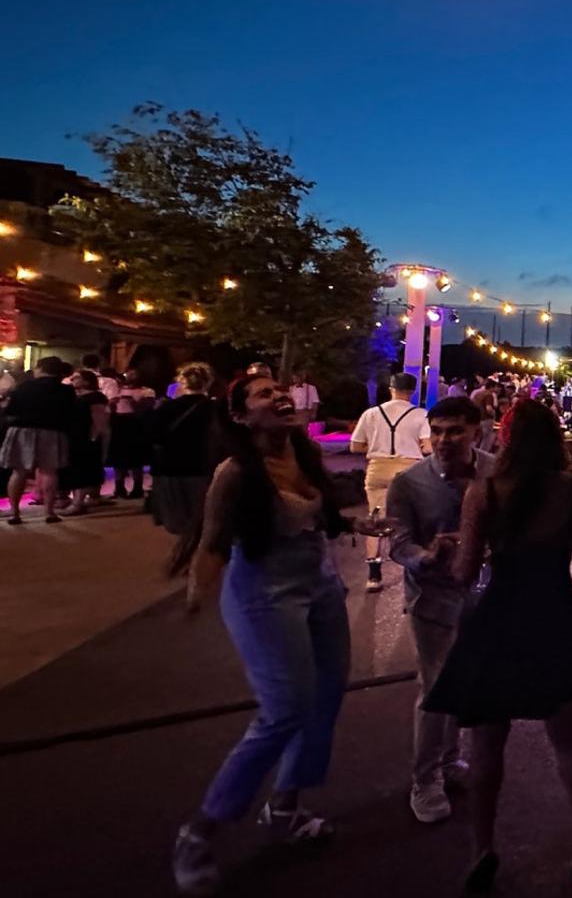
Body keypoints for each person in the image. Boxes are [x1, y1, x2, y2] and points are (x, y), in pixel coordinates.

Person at [169, 375, 386, 896]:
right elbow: (213, 541)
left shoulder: (303, 454)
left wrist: (358, 527)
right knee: (284, 710)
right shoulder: (236, 472)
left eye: (280, 389)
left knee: (325, 697)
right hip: (264, 595)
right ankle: (199, 833)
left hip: (320, 587)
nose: (280, 396)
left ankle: (286, 808)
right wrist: (197, 595)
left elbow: (321, 516)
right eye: (264, 394)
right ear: (241, 416)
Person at [423, 403, 572, 891]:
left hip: (500, 614)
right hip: (554, 612)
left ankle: (483, 850)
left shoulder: (484, 492)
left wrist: (448, 549)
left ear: (505, 438)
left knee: (487, 745)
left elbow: (464, 572)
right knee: (569, 738)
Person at [385, 396, 494, 825]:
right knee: (435, 689)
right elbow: (398, 543)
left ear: (477, 432)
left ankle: (450, 760)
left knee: (467, 681)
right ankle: (425, 780)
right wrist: (426, 556)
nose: (444, 440)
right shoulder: (409, 483)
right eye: (437, 431)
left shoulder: (495, 472)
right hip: (433, 597)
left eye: (455, 431)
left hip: (483, 594)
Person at [349, 373, 431, 593]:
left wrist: (377, 448)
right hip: (409, 470)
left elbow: (355, 446)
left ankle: (374, 576)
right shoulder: (421, 414)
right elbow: (428, 447)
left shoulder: (371, 413)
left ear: (391, 389)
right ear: (412, 391)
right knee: (413, 519)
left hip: (378, 468)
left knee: (375, 518)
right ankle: (416, 569)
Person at [153, 364, 222, 563]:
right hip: (203, 466)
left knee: (178, 519)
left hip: (170, 467)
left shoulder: (166, 407)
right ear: (208, 382)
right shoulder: (215, 409)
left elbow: (154, 436)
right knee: (204, 517)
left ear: (181, 382)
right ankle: (196, 557)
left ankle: (186, 553)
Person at [4, 357, 76, 525]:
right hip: (52, 431)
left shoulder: (24, 386)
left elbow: (10, 411)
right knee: (49, 472)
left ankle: (15, 513)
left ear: (40, 369)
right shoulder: (65, 390)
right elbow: (70, 413)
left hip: (21, 430)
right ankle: (49, 512)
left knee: (18, 472)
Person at [59, 369, 111, 515]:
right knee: (79, 468)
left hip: (87, 437)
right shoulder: (77, 396)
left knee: (82, 469)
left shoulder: (95, 397)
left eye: (77, 377)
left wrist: (94, 439)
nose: (72, 379)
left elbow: (100, 421)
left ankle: (78, 503)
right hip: (76, 436)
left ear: (87, 381)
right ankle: (88, 497)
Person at [109, 369, 157, 500]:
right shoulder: (117, 390)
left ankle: (137, 488)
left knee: (136, 458)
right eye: (128, 374)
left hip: (135, 425)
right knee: (117, 458)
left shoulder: (147, 391)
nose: (130, 376)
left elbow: (146, 409)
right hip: (118, 423)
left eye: (134, 374)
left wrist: (132, 401)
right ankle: (119, 488)